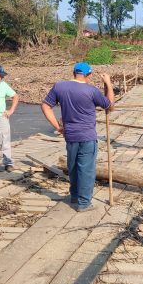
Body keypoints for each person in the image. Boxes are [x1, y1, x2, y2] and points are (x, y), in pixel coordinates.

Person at [41, 62, 115, 212]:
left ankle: (74, 195)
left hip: (70, 134)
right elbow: (110, 106)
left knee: (73, 166)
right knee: (86, 169)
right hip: (87, 135)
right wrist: (108, 83)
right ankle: (83, 203)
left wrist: (57, 126)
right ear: (88, 75)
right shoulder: (91, 90)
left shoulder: (59, 86)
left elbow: (45, 106)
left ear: (74, 73)